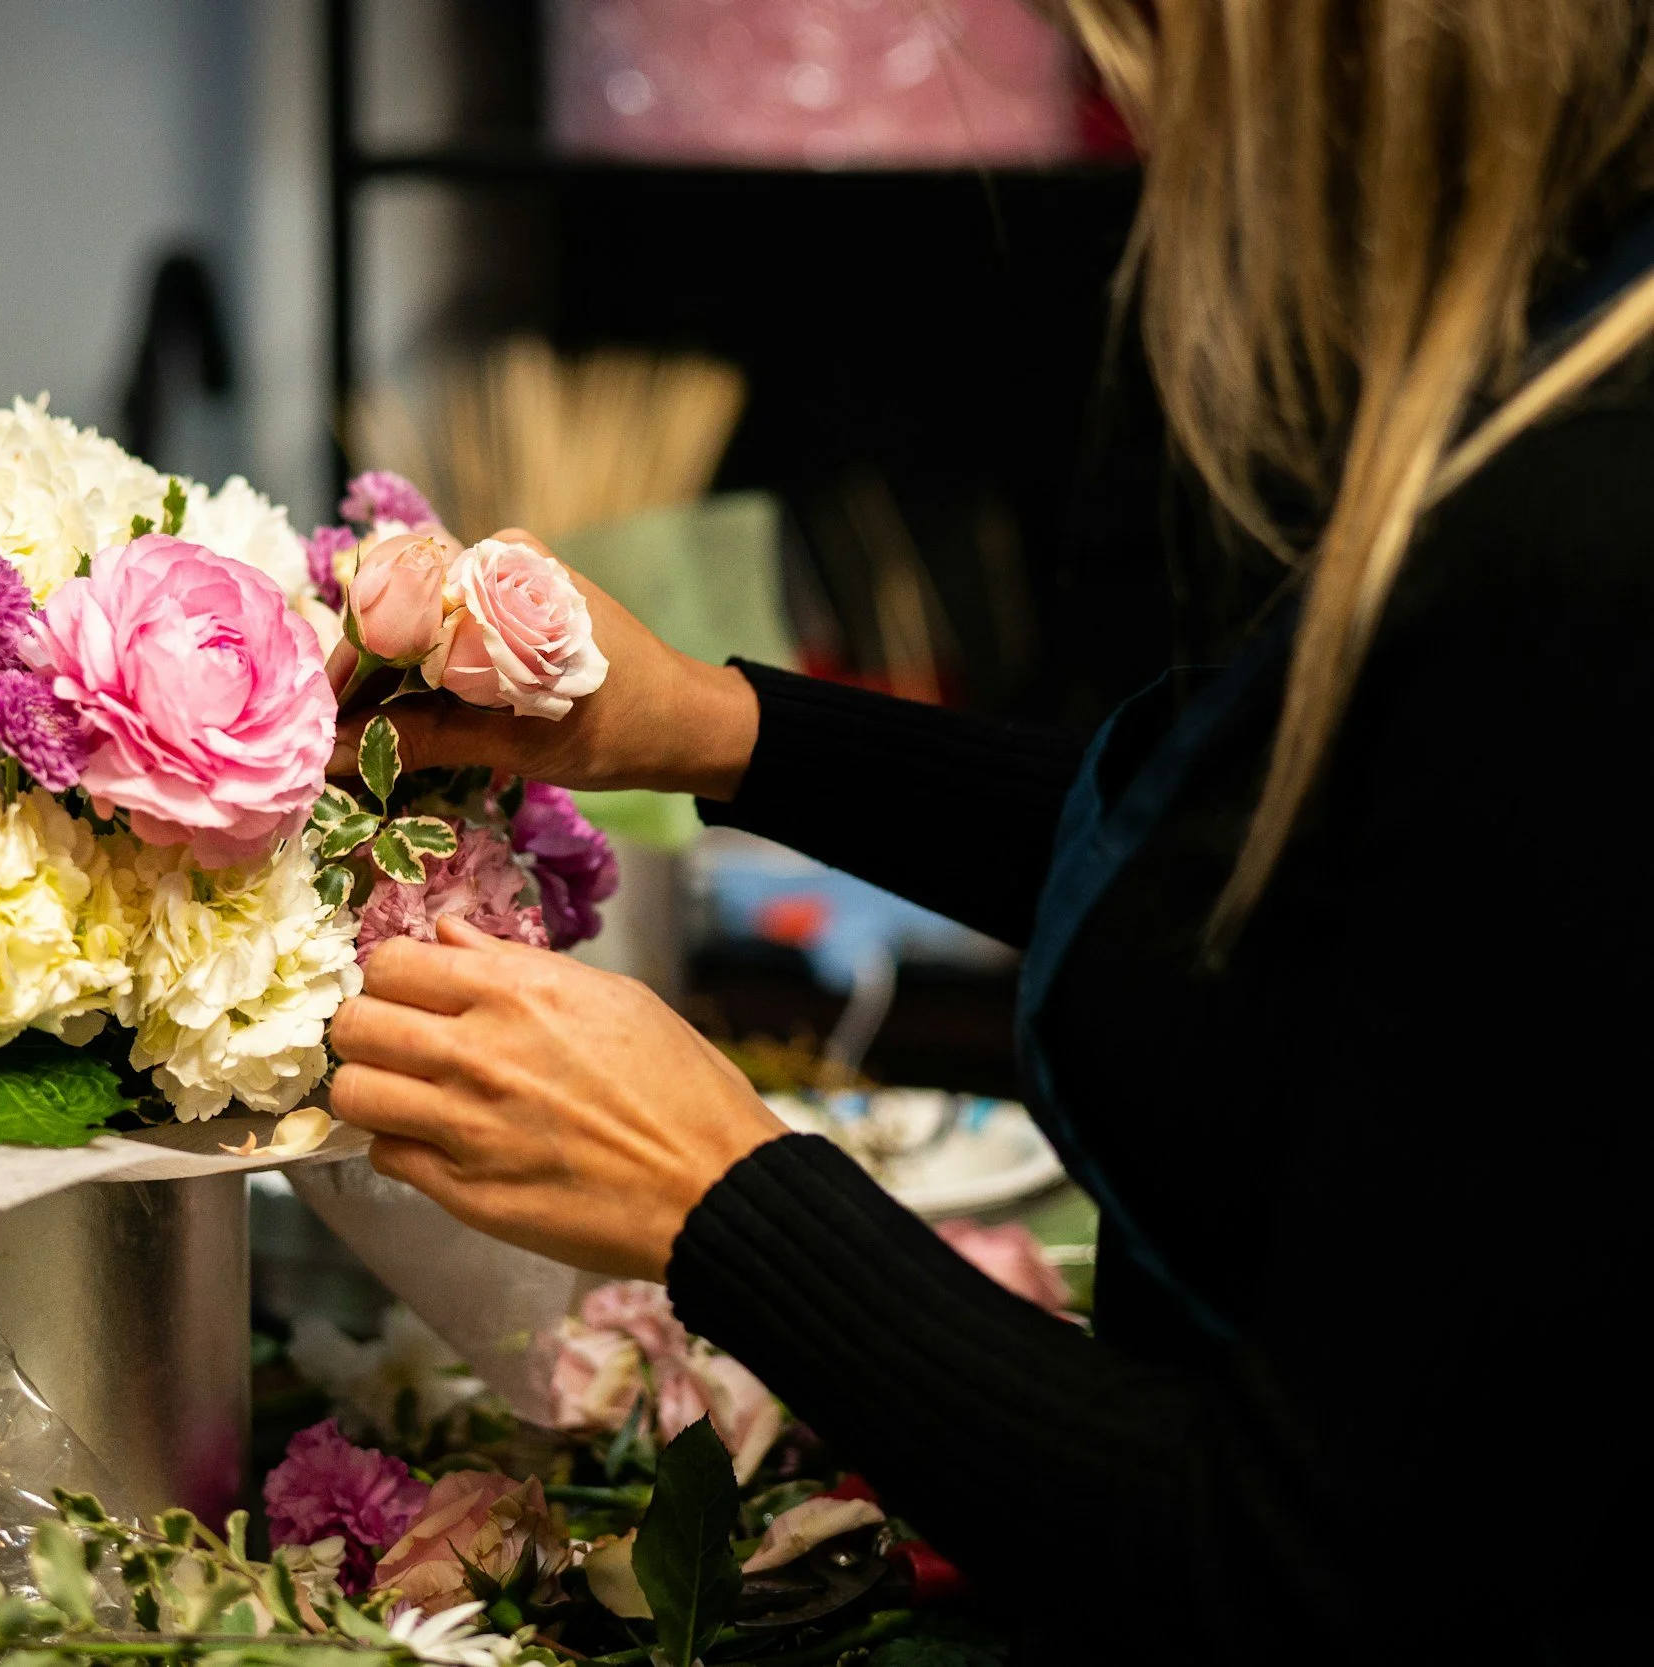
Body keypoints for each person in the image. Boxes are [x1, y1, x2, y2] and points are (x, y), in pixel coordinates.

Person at [324, 3, 1654, 1660]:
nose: (1122, 103)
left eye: (1164, 41)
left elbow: (1318, 1578)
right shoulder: (1545, 410)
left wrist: (722, 1191)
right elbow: (1290, 881)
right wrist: (717, 726)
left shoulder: (1589, 552)